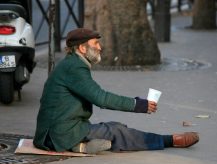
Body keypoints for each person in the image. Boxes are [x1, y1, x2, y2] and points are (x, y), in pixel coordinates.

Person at [33, 28, 199, 154]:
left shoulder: (71, 64)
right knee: (117, 130)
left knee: (114, 130)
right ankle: (170, 140)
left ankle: (78, 145)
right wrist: (138, 104)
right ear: (82, 48)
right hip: (57, 134)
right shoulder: (74, 67)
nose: (100, 47)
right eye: (95, 44)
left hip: (55, 131)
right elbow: (102, 99)